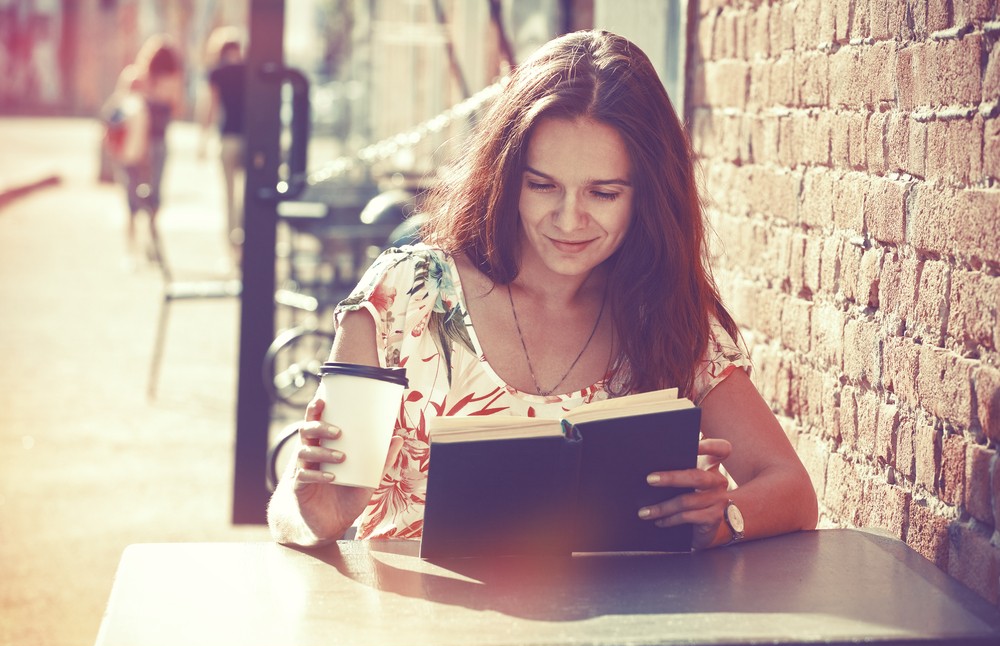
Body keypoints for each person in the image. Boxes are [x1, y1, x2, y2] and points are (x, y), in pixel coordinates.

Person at [268, 30, 818, 549]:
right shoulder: (406, 297)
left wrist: (723, 520)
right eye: (542, 185)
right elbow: (296, 511)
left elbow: (792, 490)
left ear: (647, 196)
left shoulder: (666, 317)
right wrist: (314, 520)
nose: (568, 219)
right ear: (506, 177)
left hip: (608, 644)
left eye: (602, 193)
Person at [118, 35, 183, 267]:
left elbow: (120, 106)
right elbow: (176, 109)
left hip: (135, 145)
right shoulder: (173, 82)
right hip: (158, 144)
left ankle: (131, 249)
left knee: (131, 196)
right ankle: (151, 242)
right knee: (154, 195)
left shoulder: (137, 77)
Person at [200, 26, 246, 268]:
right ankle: (247, 245)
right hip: (251, 141)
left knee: (228, 197)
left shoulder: (217, 73)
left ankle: (232, 252)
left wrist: (203, 140)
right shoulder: (250, 70)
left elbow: (211, 107)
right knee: (247, 197)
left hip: (227, 139)